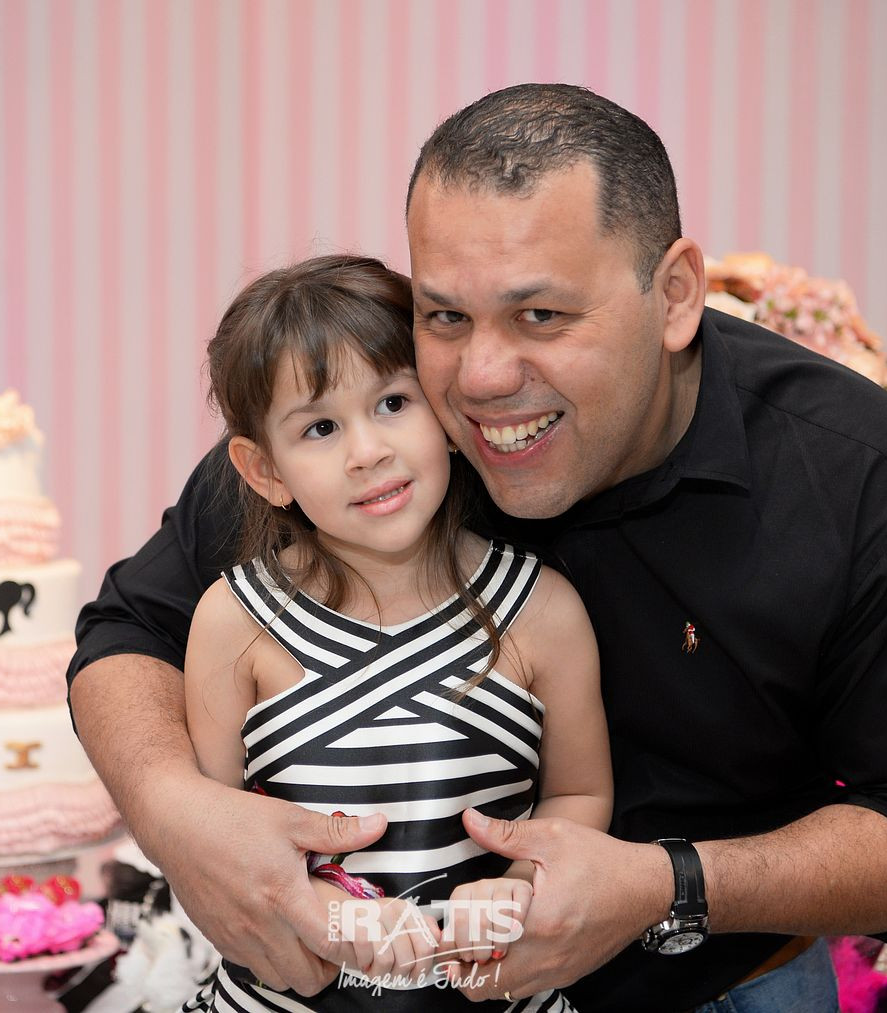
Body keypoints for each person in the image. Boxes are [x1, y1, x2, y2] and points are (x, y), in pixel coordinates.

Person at [69, 84, 887, 1012]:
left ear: (674, 295)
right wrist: (175, 809)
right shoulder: (376, 438)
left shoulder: (856, 478)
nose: (481, 377)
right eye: (446, 315)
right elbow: (131, 629)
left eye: (542, 316)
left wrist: (671, 884)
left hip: (725, 986)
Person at [180, 254, 610, 1010]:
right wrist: (320, 908)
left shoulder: (542, 609)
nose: (368, 451)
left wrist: (516, 885)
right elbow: (214, 838)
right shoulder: (234, 622)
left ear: (447, 412)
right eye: (320, 427)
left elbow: (579, 791)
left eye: (391, 403)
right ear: (264, 469)